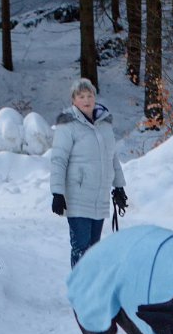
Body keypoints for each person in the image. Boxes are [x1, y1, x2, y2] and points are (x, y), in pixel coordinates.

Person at [50, 78, 128, 268]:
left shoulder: (104, 124)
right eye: (81, 96)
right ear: (73, 100)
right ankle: (80, 293)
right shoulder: (68, 125)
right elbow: (59, 159)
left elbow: (112, 158)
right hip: (77, 197)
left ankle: (91, 293)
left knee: (94, 250)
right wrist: (57, 192)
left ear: (95, 97)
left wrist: (119, 187)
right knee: (81, 248)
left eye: (89, 95)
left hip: (99, 198)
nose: (86, 100)